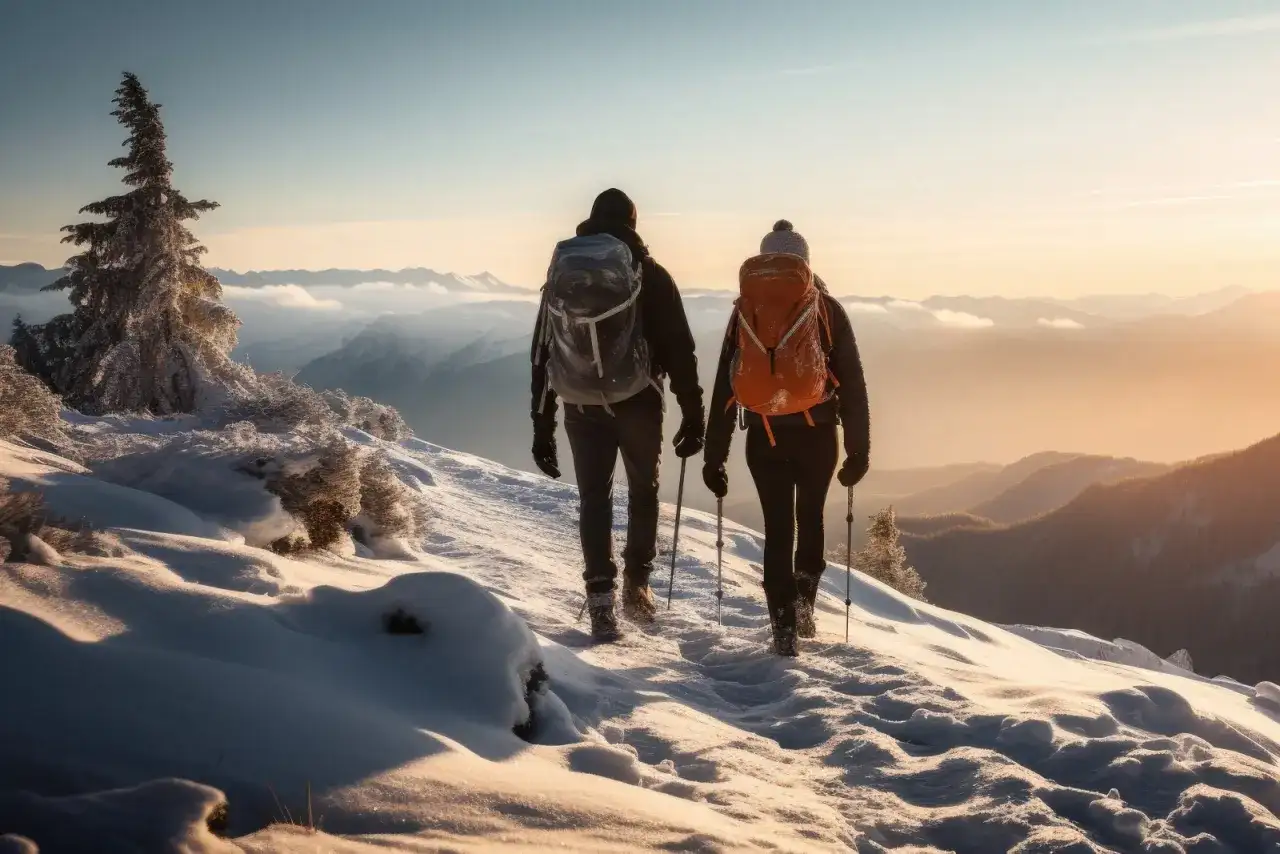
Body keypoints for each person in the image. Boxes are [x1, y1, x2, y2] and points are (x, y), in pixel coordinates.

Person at [530, 188, 705, 642]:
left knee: (594, 497)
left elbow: (544, 351)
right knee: (643, 490)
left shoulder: (562, 277)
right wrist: (693, 413)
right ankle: (637, 586)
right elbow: (680, 349)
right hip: (639, 401)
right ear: (633, 221)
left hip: (579, 403)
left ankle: (601, 599)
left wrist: (541, 424)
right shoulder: (649, 273)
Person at [702, 220, 870, 656]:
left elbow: (726, 383)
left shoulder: (745, 311)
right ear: (805, 263)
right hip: (817, 436)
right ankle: (804, 607)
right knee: (809, 518)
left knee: (778, 530)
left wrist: (714, 455)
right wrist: (858, 450)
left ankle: (782, 626)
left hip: (764, 436)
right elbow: (852, 381)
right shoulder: (826, 308)